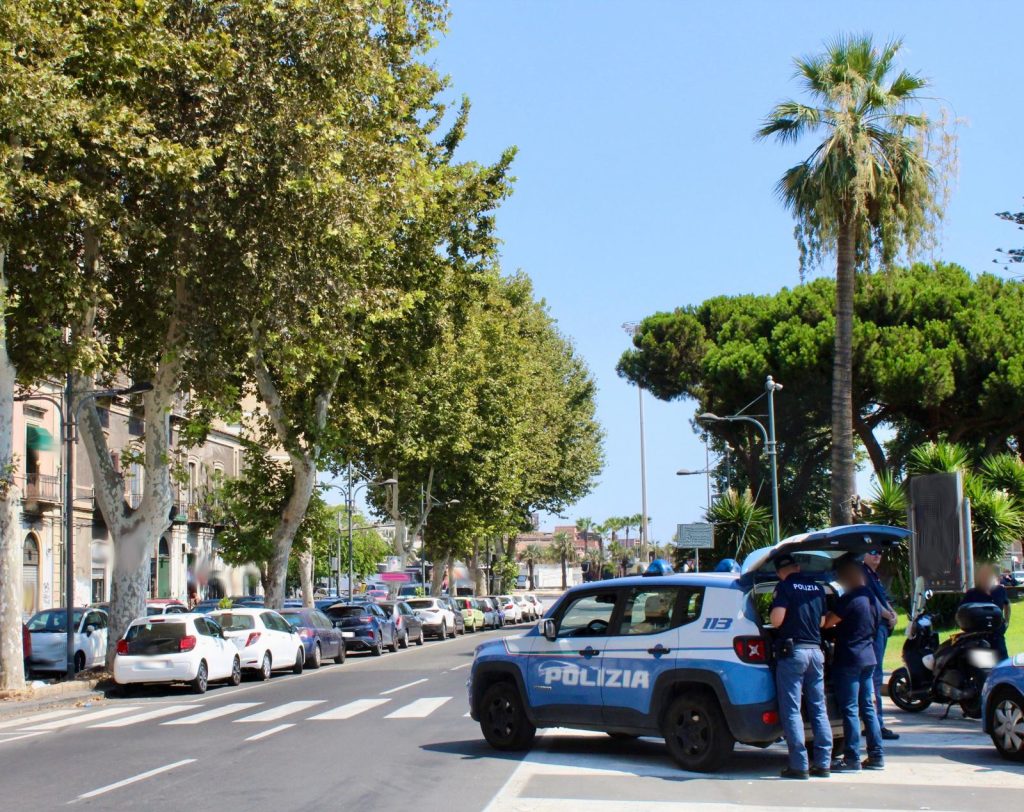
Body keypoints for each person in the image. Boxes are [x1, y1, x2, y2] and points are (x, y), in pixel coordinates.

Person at [769, 552, 833, 779]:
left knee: (793, 709)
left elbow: (776, 620)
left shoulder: (785, 587)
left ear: (779, 572)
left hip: (793, 653)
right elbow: (822, 622)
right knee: (818, 708)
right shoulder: (816, 588)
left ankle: (799, 765)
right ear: (797, 567)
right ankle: (824, 763)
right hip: (816, 652)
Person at [825, 556, 885, 772]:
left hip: (849, 659)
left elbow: (828, 621)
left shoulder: (849, 599)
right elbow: (880, 622)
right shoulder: (872, 599)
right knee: (868, 708)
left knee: (850, 709)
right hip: (869, 658)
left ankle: (851, 759)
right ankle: (877, 756)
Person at [862, 548, 899, 740]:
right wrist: (888, 615)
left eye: (880, 552)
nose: (877, 555)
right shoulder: (863, 574)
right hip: (875, 628)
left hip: (882, 628)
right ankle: (876, 724)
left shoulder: (873, 575)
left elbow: (883, 599)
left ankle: (876, 722)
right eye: (873, 551)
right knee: (874, 676)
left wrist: (892, 613)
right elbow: (873, 601)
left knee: (875, 675)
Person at [961, 564, 1009, 661]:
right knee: (982, 667)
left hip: (997, 635)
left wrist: (1007, 620)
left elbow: (1007, 604)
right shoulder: (971, 594)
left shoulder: (1000, 590)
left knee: (1003, 665)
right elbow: (962, 611)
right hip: (978, 637)